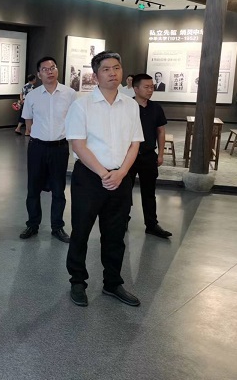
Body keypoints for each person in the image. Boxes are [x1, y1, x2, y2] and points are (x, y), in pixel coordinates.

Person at [65, 51, 144, 308]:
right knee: (81, 231)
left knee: (115, 234)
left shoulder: (131, 105)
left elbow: (135, 144)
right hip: (89, 177)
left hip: (120, 177)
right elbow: (78, 145)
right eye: (106, 69)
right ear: (96, 75)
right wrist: (103, 173)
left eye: (117, 68)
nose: (113, 73)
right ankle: (78, 281)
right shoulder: (82, 105)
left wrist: (121, 173)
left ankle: (112, 282)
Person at [19, 57, 76, 243]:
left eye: (52, 68)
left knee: (59, 190)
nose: (49, 71)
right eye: (45, 69)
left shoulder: (70, 94)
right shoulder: (32, 96)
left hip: (60, 147)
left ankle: (57, 227)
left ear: (57, 70)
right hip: (37, 147)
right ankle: (32, 224)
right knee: (33, 189)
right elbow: (28, 122)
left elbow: (75, 119)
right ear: (39, 74)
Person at [128, 73, 172, 238]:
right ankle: (122, 220)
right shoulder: (127, 106)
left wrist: (160, 154)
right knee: (125, 191)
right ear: (136, 88)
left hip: (148, 156)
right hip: (128, 156)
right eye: (146, 87)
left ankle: (151, 224)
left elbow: (160, 131)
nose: (150, 90)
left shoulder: (156, 108)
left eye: (152, 87)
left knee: (149, 192)